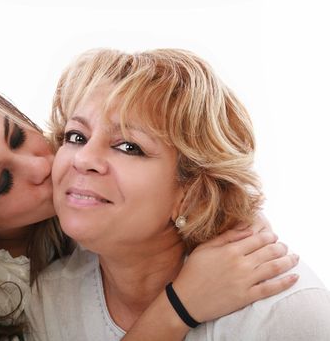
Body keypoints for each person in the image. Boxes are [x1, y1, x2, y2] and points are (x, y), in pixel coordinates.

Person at [0, 73, 299, 341]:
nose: (45, 165)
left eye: (20, 135)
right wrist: (176, 308)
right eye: (2, 182)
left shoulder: (88, 180)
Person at [26, 48, 330, 340]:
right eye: (76, 136)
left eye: (129, 147)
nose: (83, 159)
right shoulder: (50, 298)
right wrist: (176, 309)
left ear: (194, 193)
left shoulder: (284, 313)